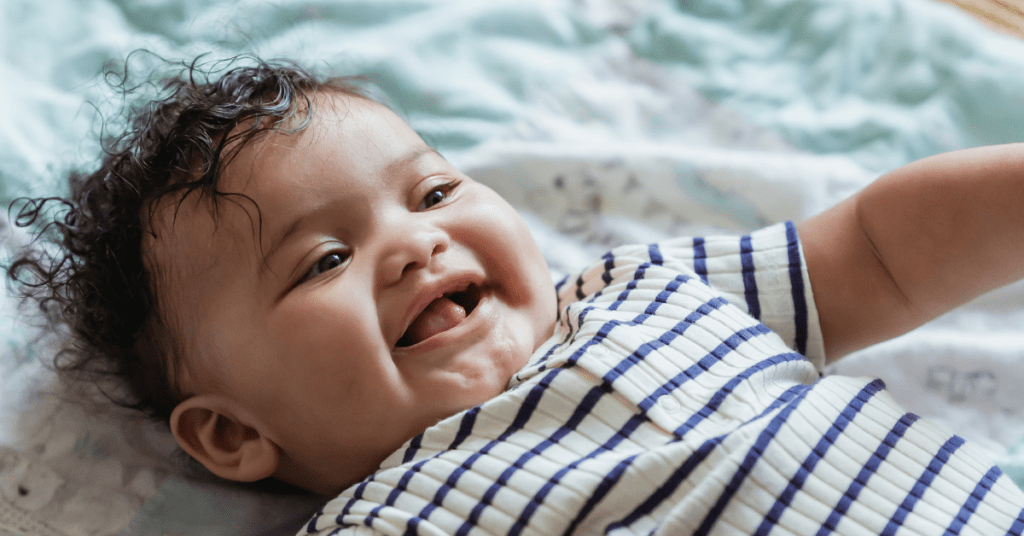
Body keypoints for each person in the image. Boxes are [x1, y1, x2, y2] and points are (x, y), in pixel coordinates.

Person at [9, 57, 1024, 535]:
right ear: (231, 433)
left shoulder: (635, 291)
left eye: (435, 190)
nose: (414, 242)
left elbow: (877, 254)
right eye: (322, 260)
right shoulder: (385, 518)